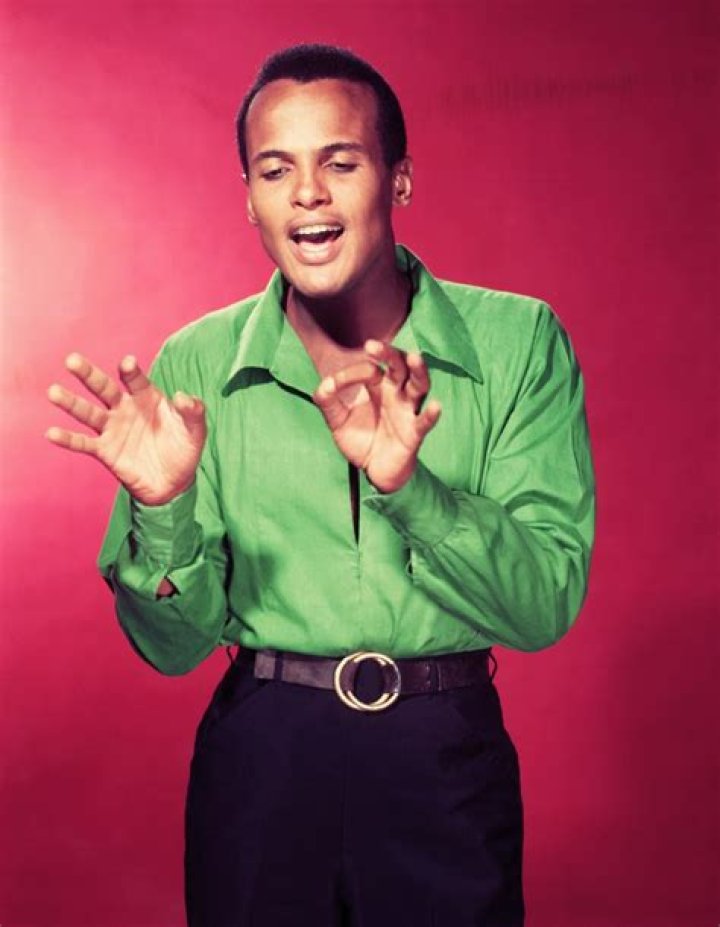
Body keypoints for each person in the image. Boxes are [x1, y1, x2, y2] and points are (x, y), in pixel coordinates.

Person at [46, 43, 595, 927]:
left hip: (445, 756)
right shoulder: (195, 363)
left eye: (340, 162)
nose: (307, 193)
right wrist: (163, 508)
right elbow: (172, 651)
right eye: (276, 170)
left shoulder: (521, 342)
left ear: (399, 178)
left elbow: (544, 608)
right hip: (264, 760)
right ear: (250, 197)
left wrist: (411, 488)